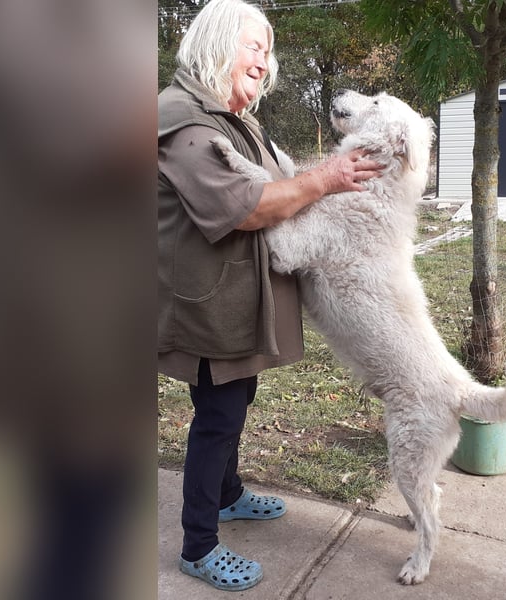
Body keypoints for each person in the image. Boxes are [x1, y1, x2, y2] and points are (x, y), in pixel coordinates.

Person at [158, 0, 380, 592]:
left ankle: (227, 495)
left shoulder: (238, 119)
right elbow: (251, 207)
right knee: (218, 415)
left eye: (268, 49)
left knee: (236, 400)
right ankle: (198, 545)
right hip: (208, 302)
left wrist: (336, 178)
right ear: (217, 43)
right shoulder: (182, 121)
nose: (265, 59)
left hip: (237, 296)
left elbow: (285, 176)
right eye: (254, 45)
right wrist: (328, 178)